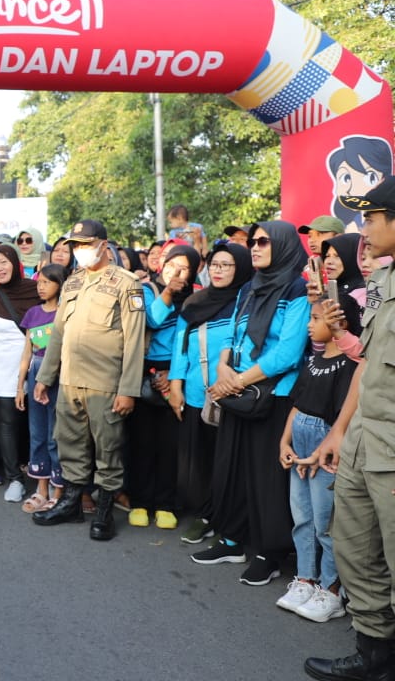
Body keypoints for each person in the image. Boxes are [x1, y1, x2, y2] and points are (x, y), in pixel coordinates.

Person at [304, 179, 395, 678]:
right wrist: (340, 430)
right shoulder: (385, 283)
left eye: (373, 217)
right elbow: (369, 362)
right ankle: (372, 654)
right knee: (355, 550)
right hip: (364, 440)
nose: (364, 227)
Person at [192, 221, 309, 586]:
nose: (254, 247)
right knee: (231, 470)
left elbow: (288, 352)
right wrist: (225, 366)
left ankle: (268, 552)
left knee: (266, 478)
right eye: (253, 241)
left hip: (273, 395)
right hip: (239, 393)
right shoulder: (249, 288)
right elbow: (235, 335)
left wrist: (237, 380)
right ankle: (231, 539)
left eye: (263, 242)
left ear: (284, 246)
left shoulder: (297, 288)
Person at [31, 220, 146, 542]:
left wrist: (128, 390)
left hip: (105, 384)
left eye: (86, 243)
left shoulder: (127, 283)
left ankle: (105, 510)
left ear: (104, 244)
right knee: (69, 444)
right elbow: (58, 334)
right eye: (76, 245)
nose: (80, 250)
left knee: (107, 448)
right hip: (69, 381)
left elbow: (136, 341)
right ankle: (71, 503)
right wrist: (45, 376)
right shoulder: (72, 282)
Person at [275, 299, 359, 623]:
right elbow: (297, 405)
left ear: (341, 322)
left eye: (317, 318)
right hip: (300, 447)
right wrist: (285, 441)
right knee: (303, 518)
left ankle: (332, 588)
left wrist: (319, 450)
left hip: (323, 452)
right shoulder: (313, 361)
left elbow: (341, 420)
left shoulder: (350, 367)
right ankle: (305, 579)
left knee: (326, 523)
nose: (310, 324)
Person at [167, 242, 253, 544]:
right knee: (197, 463)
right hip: (194, 393)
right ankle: (206, 514)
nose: (218, 270)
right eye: (214, 264)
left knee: (226, 463)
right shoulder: (194, 302)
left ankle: (226, 519)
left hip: (232, 394)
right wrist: (175, 385)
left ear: (241, 267)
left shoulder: (247, 301)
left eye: (226, 265)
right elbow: (181, 344)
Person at [126, 242, 202, 531]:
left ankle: (167, 503)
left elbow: (191, 342)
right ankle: (140, 502)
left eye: (184, 267)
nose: (177, 271)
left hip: (178, 374)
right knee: (142, 442)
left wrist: (174, 375)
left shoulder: (197, 298)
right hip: (145, 372)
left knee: (171, 445)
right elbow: (151, 319)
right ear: (161, 265)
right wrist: (169, 291)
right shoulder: (146, 290)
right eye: (172, 265)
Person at [0, 245, 42, 504]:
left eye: (4, 262)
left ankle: (42, 477)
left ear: (15, 262)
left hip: (38, 370)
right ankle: (14, 477)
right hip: (4, 374)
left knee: (38, 425)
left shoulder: (37, 291)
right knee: (7, 426)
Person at [15, 263, 66, 512]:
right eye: (39, 282)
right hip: (35, 373)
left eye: (47, 282)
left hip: (57, 374)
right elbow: (27, 353)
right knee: (37, 432)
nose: (41, 286)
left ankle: (59, 489)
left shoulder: (66, 313)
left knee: (56, 433)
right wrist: (19, 386)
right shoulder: (33, 313)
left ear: (60, 284)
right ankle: (41, 488)